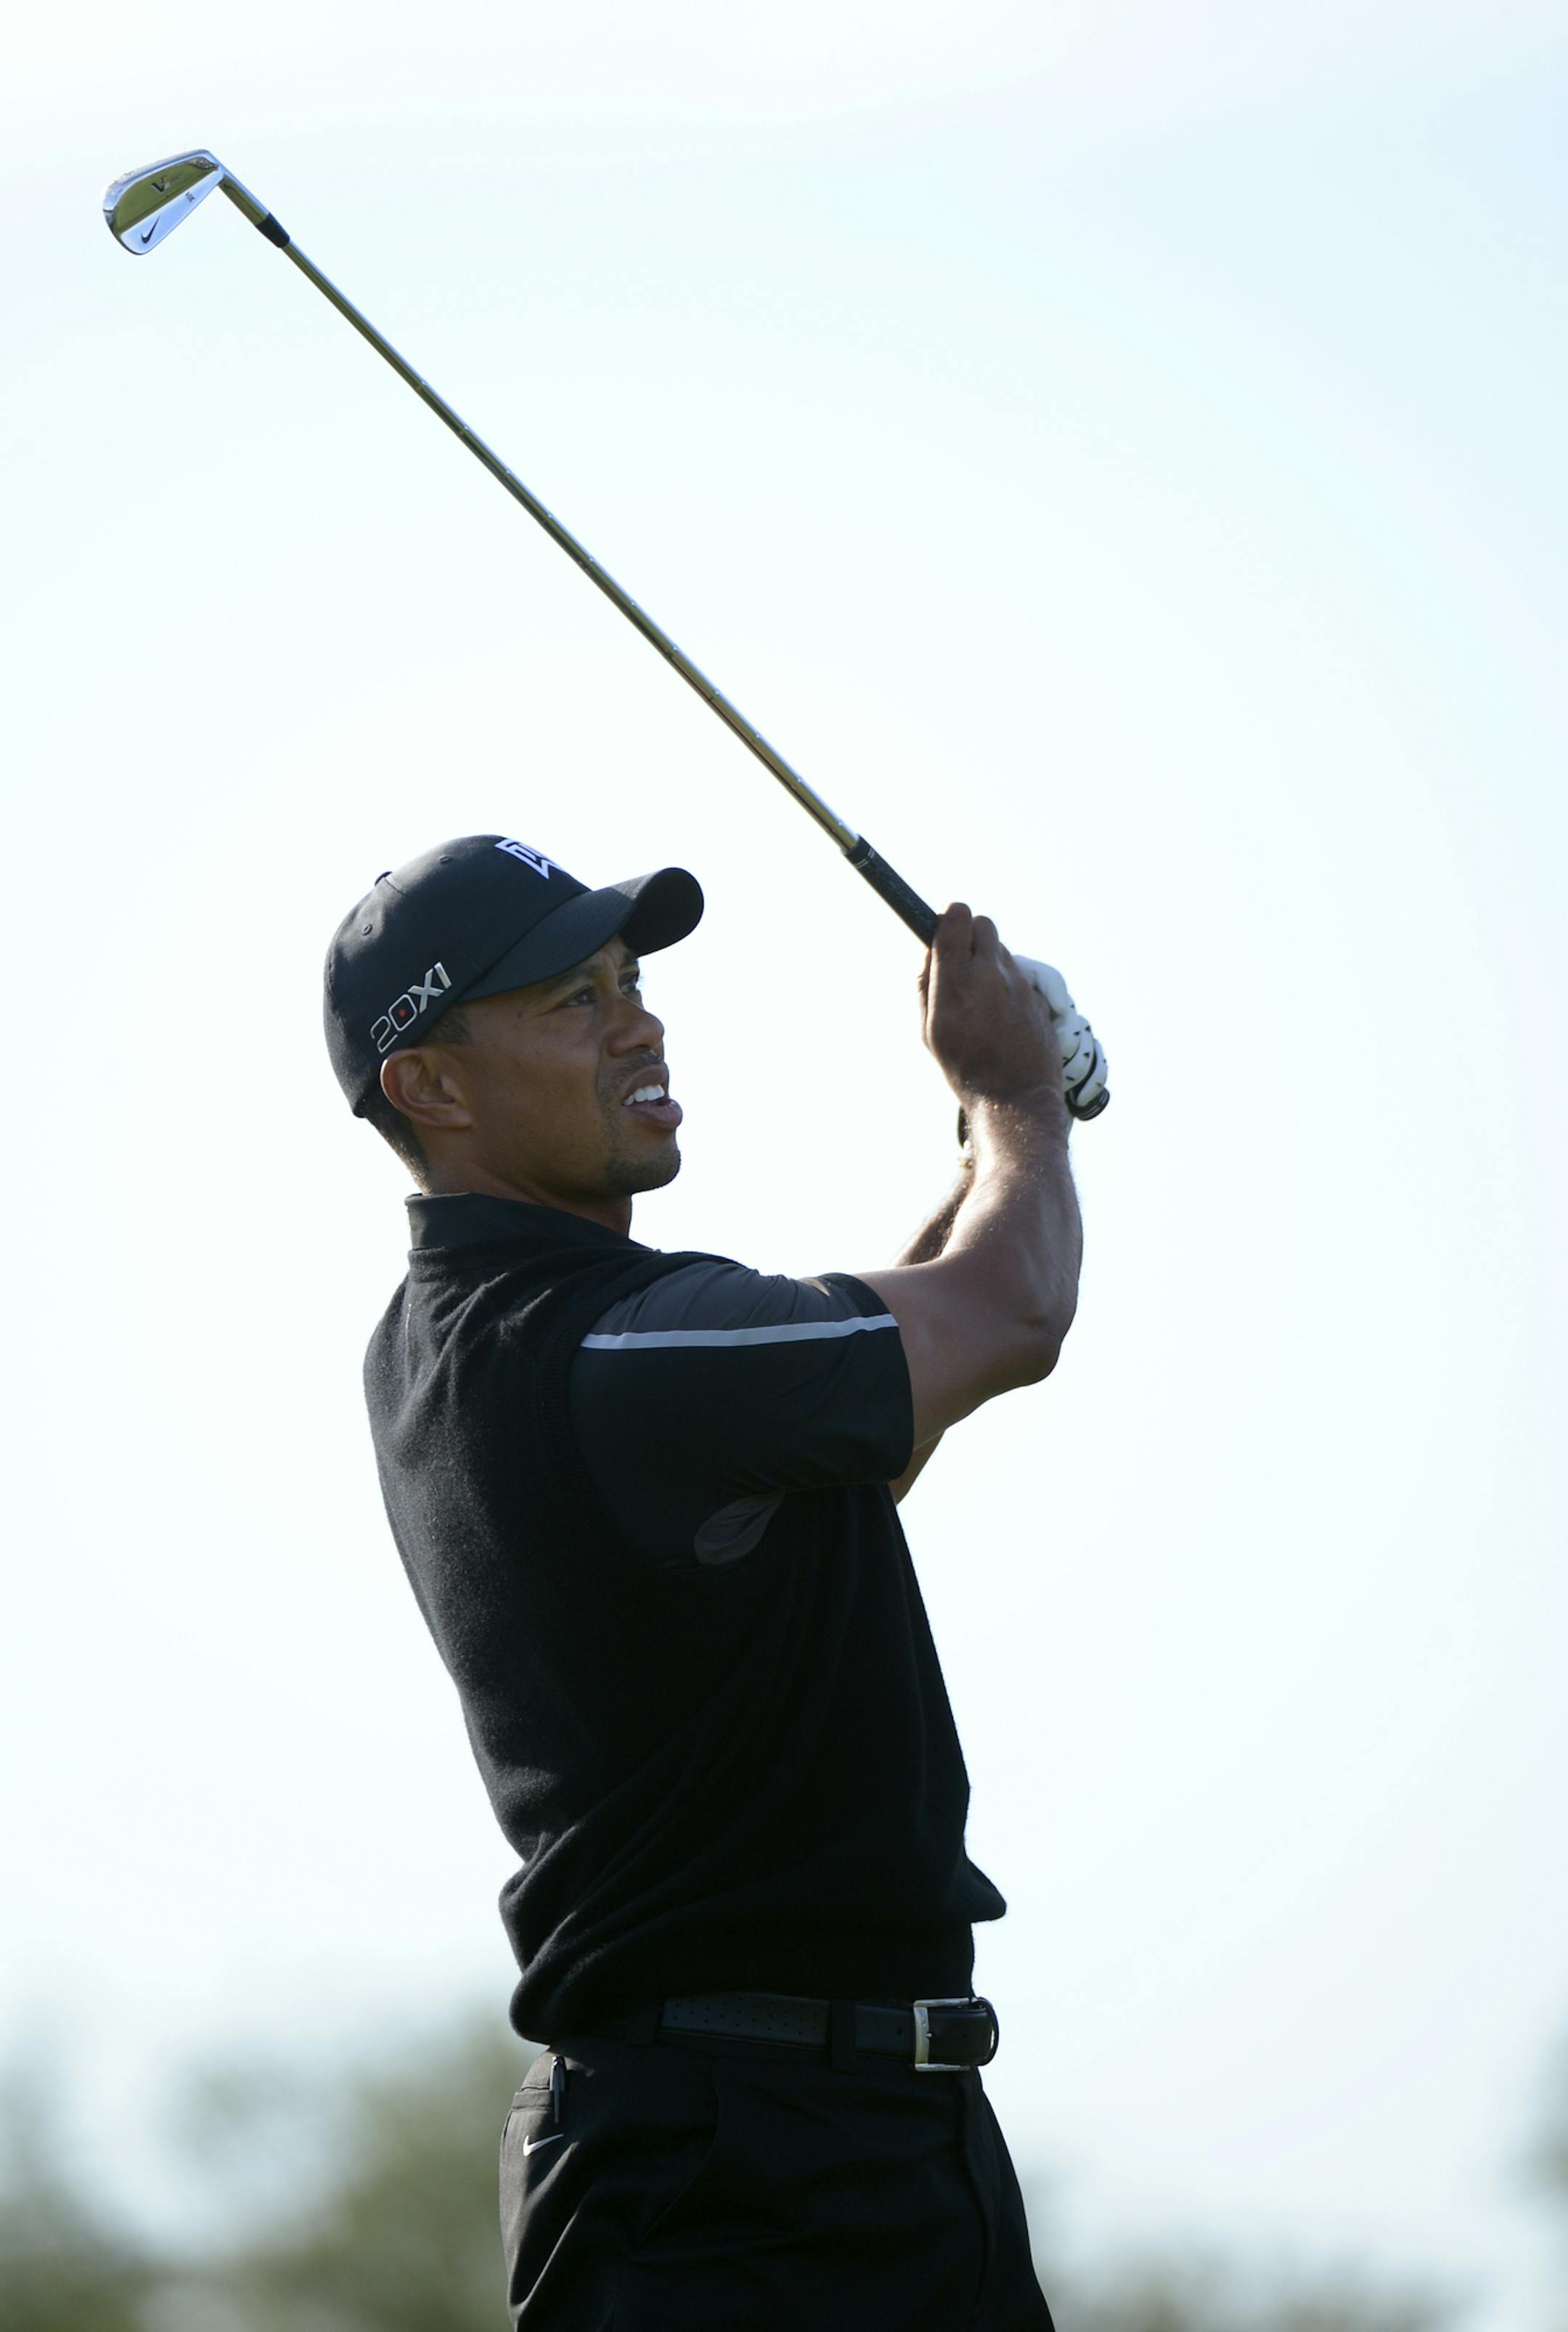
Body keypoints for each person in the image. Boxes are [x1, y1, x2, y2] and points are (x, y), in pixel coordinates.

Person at [323, 832, 1083, 2331]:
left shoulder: (496, 1333)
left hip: (860, 2143)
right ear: (433, 1085)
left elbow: (843, 1443)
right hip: (731, 2180)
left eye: (630, 980)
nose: (639, 1022)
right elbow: (1013, 1308)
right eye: (568, 1001)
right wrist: (1016, 1095)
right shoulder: (610, 1346)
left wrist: (990, 1147)